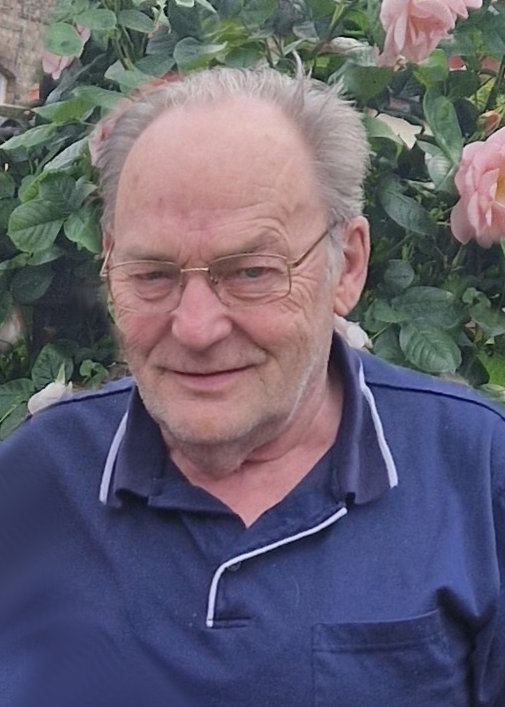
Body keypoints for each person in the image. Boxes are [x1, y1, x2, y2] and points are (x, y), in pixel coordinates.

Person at [1, 67, 504, 707]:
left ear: (347, 265)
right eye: (152, 274)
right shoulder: (38, 479)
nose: (196, 328)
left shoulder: (475, 471)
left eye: (251, 272)